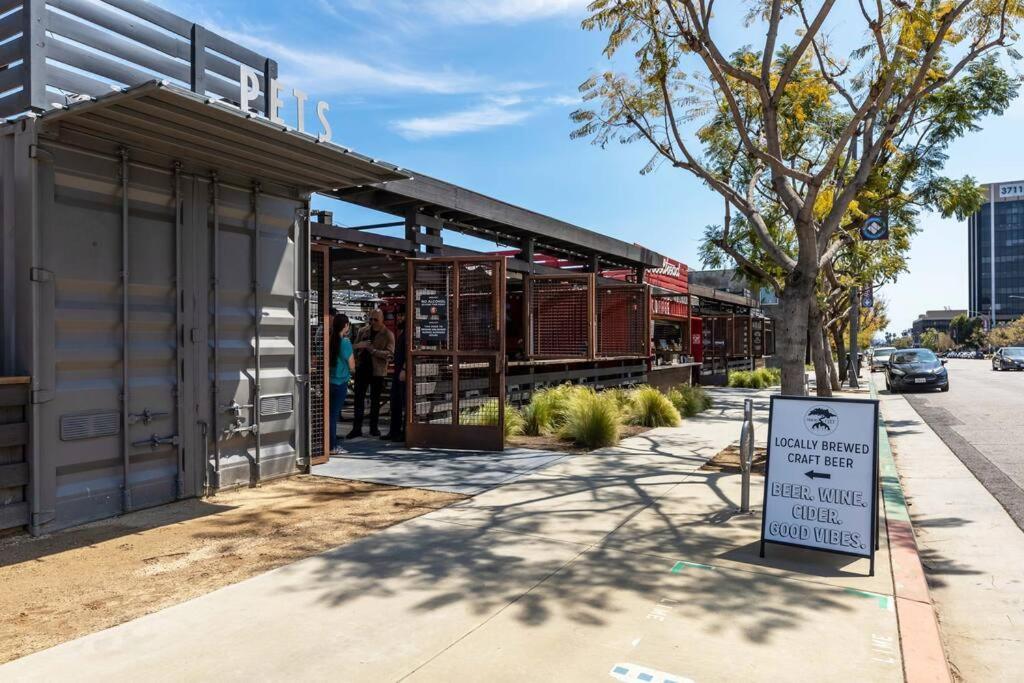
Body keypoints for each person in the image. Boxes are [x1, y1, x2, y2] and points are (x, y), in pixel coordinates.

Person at [348, 309, 395, 438]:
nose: (373, 322)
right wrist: (360, 346)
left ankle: (373, 428)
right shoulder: (363, 331)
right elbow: (353, 346)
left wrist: (373, 351)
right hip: (362, 368)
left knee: (375, 401)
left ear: (382, 320)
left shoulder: (388, 334)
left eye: (376, 320)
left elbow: (390, 355)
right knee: (358, 399)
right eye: (371, 319)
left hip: (377, 371)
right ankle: (356, 429)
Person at [328, 313, 354, 454]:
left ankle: (327, 444)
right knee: (333, 415)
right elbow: (352, 365)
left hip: (328, 382)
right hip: (340, 382)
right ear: (345, 326)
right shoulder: (345, 342)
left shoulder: (329, 340)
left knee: (327, 414)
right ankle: (332, 446)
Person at [383, 308, 407, 441]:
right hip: (398, 372)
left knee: (403, 403)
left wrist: (404, 369)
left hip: (403, 373)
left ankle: (403, 433)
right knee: (395, 403)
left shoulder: (408, 332)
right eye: (399, 315)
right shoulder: (402, 332)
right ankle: (394, 432)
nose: (399, 318)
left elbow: (410, 353)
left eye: (402, 315)